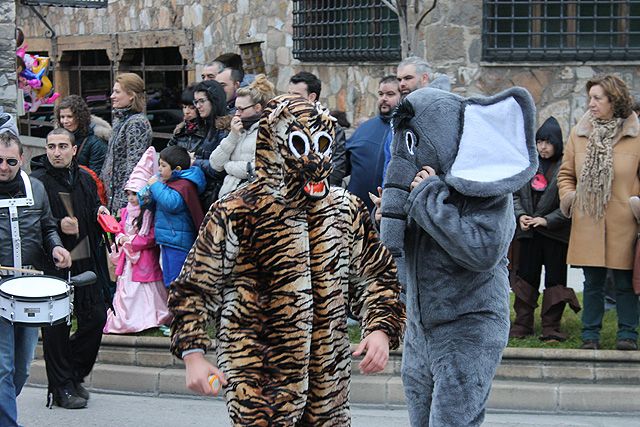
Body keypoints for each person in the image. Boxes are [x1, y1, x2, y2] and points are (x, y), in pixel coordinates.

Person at [168, 94, 405, 426]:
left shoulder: (345, 209)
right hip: (258, 378)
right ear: (275, 144)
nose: (314, 158)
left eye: (321, 143)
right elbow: (194, 287)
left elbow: (377, 277)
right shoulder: (237, 211)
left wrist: (380, 328)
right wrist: (193, 352)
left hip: (328, 382)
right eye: (299, 143)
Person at [379, 87, 538, 426]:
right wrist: (394, 214)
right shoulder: (420, 184)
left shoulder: (486, 185)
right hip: (421, 329)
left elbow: (483, 251)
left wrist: (429, 201)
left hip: (470, 325)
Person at [558, 75, 640, 351]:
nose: (591, 104)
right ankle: (589, 335)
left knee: (624, 281)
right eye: (590, 98)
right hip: (588, 220)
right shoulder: (579, 134)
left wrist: (636, 204)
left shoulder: (636, 135)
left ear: (614, 100)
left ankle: (628, 334)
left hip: (624, 221)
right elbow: (566, 174)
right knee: (591, 282)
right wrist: (571, 198)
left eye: (597, 98)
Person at [30, 128, 110, 409]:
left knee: (96, 318)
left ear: (74, 150)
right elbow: (32, 224)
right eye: (51, 146)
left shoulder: (86, 179)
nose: (56, 152)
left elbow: (92, 210)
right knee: (56, 329)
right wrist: (58, 227)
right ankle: (61, 387)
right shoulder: (37, 182)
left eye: (63, 146)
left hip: (85, 258)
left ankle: (72, 374)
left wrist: (99, 213)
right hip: (51, 262)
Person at [0, 115, 71, 426]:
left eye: (10, 162)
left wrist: (56, 246)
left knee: (22, 367)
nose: (3, 167)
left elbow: (47, 227)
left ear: (22, 159)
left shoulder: (37, 188)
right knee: (2, 365)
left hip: (28, 289)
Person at [511, 116, 580, 342]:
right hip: (528, 234)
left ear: (557, 143)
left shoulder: (566, 167)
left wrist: (546, 220)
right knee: (525, 279)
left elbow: (570, 202)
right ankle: (522, 324)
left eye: (547, 142)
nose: (543, 147)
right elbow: (515, 195)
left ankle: (551, 327)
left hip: (555, 235)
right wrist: (521, 216)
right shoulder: (528, 164)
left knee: (555, 280)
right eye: (539, 142)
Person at [104, 147, 171, 334]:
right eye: (129, 194)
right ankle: (127, 319)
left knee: (148, 290)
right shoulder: (125, 212)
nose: (132, 198)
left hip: (145, 260)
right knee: (127, 290)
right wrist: (119, 238)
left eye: (136, 194)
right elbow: (119, 230)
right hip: (128, 261)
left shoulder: (149, 213)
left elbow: (150, 237)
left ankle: (151, 318)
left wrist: (130, 240)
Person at [138, 145, 205, 287]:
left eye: (163, 166)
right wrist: (148, 191)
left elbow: (171, 203)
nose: (159, 169)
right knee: (168, 279)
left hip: (178, 242)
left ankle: (178, 308)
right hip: (167, 239)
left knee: (176, 280)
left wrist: (156, 185)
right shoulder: (167, 182)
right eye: (159, 165)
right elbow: (146, 201)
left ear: (177, 169)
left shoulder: (184, 184)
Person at [209, 74, 275, 198]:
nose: (237, 114)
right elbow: (216, 164)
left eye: (241, 109)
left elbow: (256, 169)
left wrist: (228, 165)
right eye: (236, 109)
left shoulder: (268, 132)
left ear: (257, 108)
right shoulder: (238, 129)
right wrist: (232, 136)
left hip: (251, 201)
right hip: (227, 200)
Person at [345, 75, 400, 212]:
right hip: (355, 211)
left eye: (390, 94)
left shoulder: (404, 131)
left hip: (386, 212)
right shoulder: (364, 128)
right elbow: (342, 164)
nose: (384, 98)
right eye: (381, 94)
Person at [101, 72, 153, 212]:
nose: (112, 96)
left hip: (124, 203)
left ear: (131, 95)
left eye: (117, 92)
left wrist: (125, 205)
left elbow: (134, 166)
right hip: (111, 198)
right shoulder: (120, 120)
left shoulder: (137, 123)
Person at [288, 71, 347, 187]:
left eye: (295, 95)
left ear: (312, 97)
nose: (289, 99)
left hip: (318, 193)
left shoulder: (333, 129)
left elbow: (336, 170)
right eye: (288, 94)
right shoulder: (283, 125)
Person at [191, 80, 229, 208]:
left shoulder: (224, 129)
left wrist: (194, 162)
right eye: (196, 102)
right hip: (205, 192)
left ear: (214, 100)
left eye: (202, 101)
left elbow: (219, 169)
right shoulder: (207, 125)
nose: (198, 106)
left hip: (217, 195)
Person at [55, 95, 111, 176]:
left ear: (80, 117)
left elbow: (94, 177)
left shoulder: (96, 143)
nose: (65, 121)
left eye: (69, 117)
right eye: (62, 117)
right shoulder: (59, 139)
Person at [167, 84, 207, 154]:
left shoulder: (208, 131)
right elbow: (168, 153)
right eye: (184, 107)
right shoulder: (180, 130)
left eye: (192, 108)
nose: (186, 112)